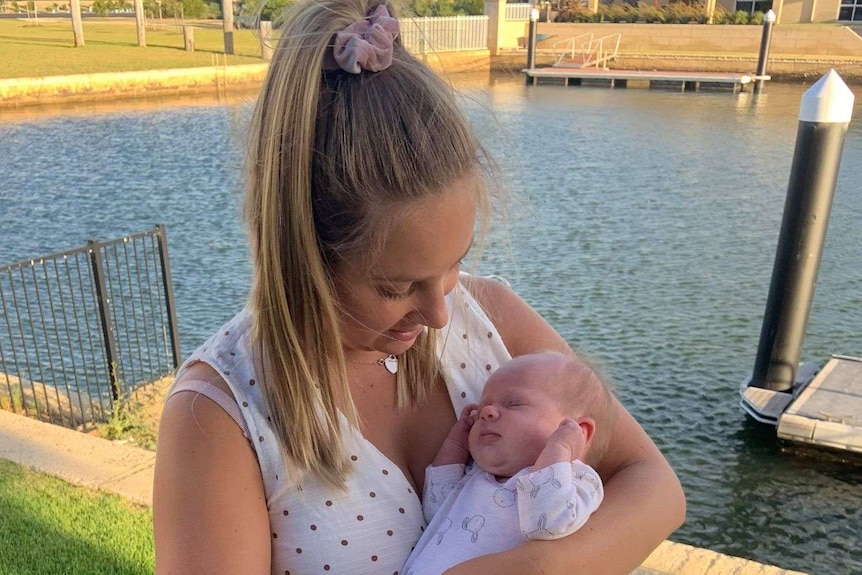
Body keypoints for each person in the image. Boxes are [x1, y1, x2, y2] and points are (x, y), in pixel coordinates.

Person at [153, 0, 686, 573]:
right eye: (396, 286)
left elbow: (655, 488)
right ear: (302, 255)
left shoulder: (493, 318)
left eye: (454, 264)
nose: (439, 313)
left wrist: (537, 568)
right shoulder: (223, 417)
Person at [402, 352, 616, 575]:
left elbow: (548, 523)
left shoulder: (579, 481)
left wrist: (559, 450)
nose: (487, 412)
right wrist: (456, 443)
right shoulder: (476, 477)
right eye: (482, 407)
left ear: (579, 432)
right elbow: (435, 507)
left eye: (514, 404)